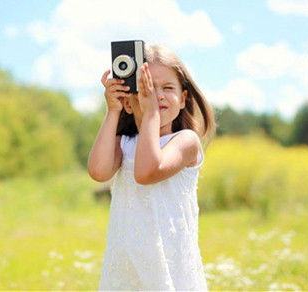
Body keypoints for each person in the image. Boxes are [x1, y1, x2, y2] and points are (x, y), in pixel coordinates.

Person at [88, 44, 216, 291]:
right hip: (128, 262)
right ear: (128, 103)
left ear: (183, 99)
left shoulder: (186, 141)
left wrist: (149, 114)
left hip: (170, 261)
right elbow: (98, 172)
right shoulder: (124, 143)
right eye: (146, 88)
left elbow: (147, 172)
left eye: (167, 88)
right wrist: (112, 110)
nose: (156, 95)